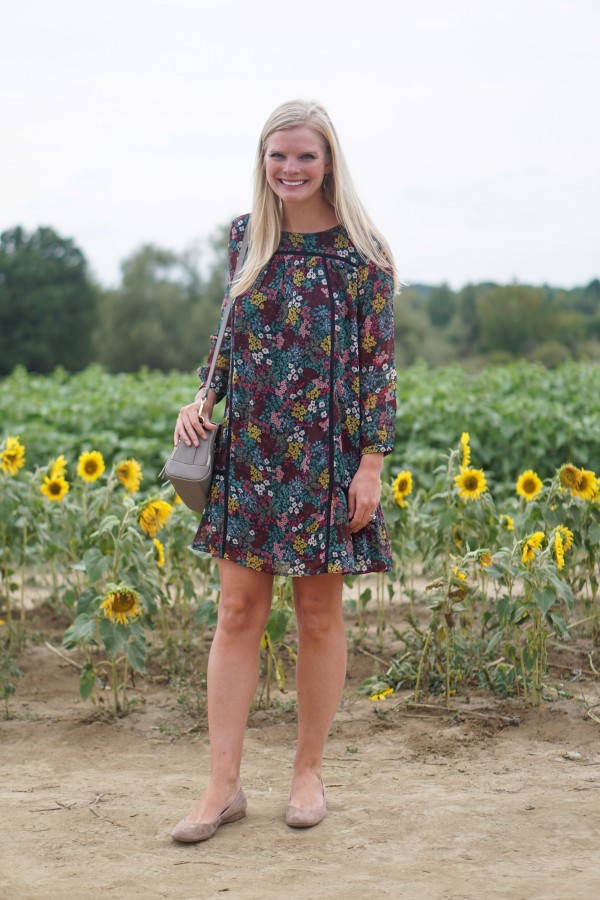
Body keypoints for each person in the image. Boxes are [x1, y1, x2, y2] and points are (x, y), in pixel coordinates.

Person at [170, 99, 398, 842]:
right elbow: (229, 337)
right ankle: (222, 788)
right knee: (237, 612)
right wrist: (203, 398)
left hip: (329, 459)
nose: (290, 169)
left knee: (317, 614)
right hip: (252, 450)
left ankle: (307, 773)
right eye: (278, 157)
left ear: (329, 160)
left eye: (304, 156)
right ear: (262, 162)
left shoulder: (365, 252)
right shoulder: (248, 237)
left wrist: (370, 464)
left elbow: (378, 369)